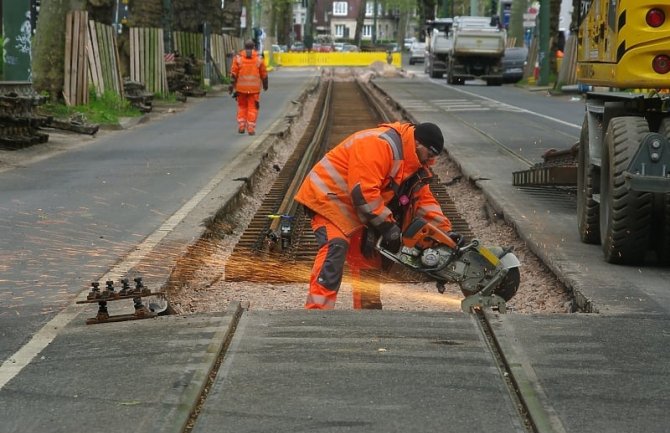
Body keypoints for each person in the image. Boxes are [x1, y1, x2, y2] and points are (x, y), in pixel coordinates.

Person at [295, 122, 461, 310]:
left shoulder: (413, 162)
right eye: (429, 155)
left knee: (369, 257)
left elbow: (424, 203)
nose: (430, 162)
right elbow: (363, 193)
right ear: (417, 144)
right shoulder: (378, 145)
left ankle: (368, 312)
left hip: (354, 208)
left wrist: (446, 234)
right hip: (327, 198)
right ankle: (317, 313)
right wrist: (388, 227)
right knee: (336, 246)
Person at [229, 40, 268, 136]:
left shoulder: (238, 58)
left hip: (241, 89)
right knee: (252, 108)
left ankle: (241, 126)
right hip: (254, 90)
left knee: (242, 106)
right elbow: (264, 74)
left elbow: (234, 74)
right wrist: (265, 85)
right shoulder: (259, 59)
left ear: (245, 47)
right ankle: (250, 128)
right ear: (254, 47)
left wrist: (231, 86)